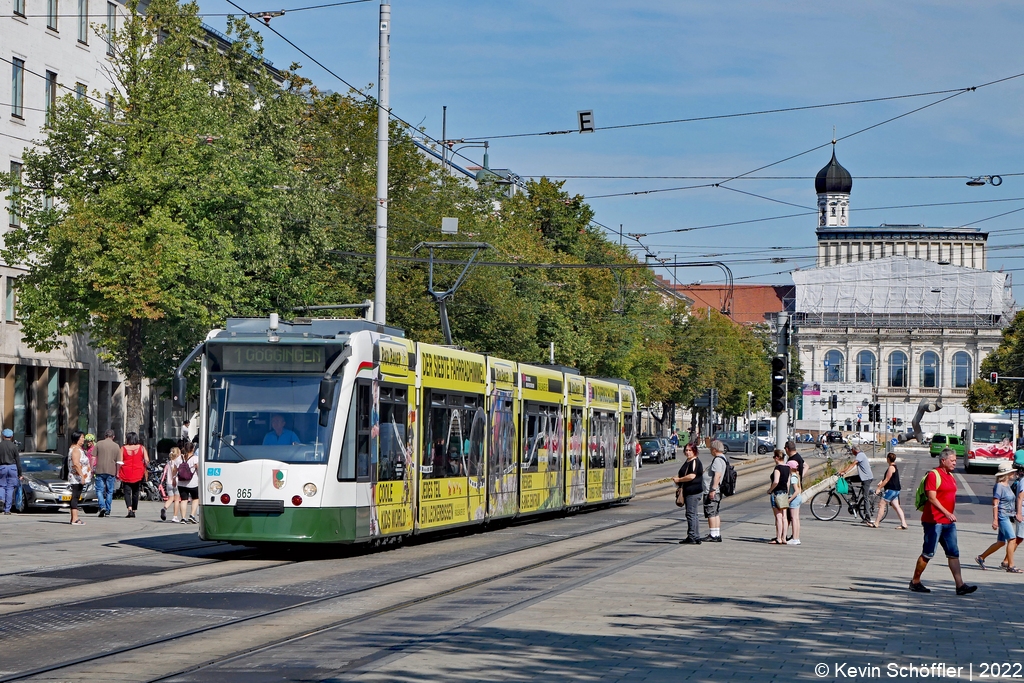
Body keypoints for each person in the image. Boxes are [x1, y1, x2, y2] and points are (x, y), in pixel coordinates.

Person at [909, 448, 977, 595]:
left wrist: (949, 514)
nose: (955, 463)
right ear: (943, 460)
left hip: (948, 523)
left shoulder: (951, 475)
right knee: (928, 553)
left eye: (955, 460)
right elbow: (931, 497)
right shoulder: (934, 475)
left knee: (953, 553)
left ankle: (960, 585)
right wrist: (947, 512)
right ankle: (915, 581)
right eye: (952, 460)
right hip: (933, 521)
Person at [975, 462, 1019, 573]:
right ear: (1007, 474)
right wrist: (995, 519)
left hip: (1007, 515)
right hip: (1002, 516)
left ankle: (981, 557)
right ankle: (1011, 565)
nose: (1014, 473)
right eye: (1012, 472)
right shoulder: (999, 486)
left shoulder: (1007, 485)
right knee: (1012, 539)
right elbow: (995, 503)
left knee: (1001, 542)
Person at [672, 443, 703, 544]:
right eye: (686, 450)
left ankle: (692, 536)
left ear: (694, 451)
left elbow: (692, 476)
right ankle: (695, 536)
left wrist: (679, 479)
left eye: (690, 450)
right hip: (689, 491)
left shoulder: (695, 461)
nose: (688, 452)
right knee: (693, 514)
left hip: (693, 492)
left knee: (691, 514)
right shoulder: (688, 461)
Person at [839, 446, 875, 523]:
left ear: (855, 450)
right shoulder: (860, 454)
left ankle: (867, 517)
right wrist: (843, 471)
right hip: (862, 477)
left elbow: (853, 464)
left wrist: (844, 472)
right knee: (847, 479)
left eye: (852, 450)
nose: (852, 452)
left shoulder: (860, 455)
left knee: (865, 497)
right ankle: (854, 497)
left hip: (866, 478)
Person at [702, 440, 728, 542]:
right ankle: (716, 533)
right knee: (715, 512)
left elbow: (717, 475)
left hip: (712, 490)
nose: (710, 451)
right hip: (717, 490)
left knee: (711, 512)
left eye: (710, 449)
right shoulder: (723, 458)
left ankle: (713, 535)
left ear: (714, 449)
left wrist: (712, 490)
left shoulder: (717, 460)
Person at [872, 452, 907, 529]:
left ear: (888, 459)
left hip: (891, 490)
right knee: (896, 506)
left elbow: (887, 479)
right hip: (896, 490)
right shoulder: (894, 467)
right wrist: (881, 481)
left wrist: (879, 488)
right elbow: (889, 478)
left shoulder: (891, 467)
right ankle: (904, 524)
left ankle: (876, 523)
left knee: (881, 504)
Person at [118, 431, 149, 518]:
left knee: (127, 492)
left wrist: (117, 471)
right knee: (136, 492)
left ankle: (129, 509)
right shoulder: (142, 448)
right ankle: (134, 510)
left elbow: (120, 461)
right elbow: (146, 460)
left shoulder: (123, 448)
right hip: (138, 472)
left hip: (126, 472)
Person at [93, 430, 120, 518]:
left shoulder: (99, 444)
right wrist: (118, 472)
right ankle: (107, 510)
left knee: (99, 490)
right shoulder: (116, 446)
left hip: (99, 470)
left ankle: (102, 506)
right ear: (113, 436)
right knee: (109, 491)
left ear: (105, 435)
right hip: (111, 470)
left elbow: (93, 457)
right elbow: (119, 462)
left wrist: (91, 468)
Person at [66, 430, 91, 526]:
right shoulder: (75, 450)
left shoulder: (77, 449)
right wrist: (82, 476)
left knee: (76, 496)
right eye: (82, 438)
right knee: (75, 496)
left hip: (78, 476)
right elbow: (76, 463)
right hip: (77, 477)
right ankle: (75, 518)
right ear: (77, 439)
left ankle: (73, 517)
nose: (83, 440)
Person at [767, 450, 789, 544]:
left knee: (778, 517)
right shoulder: (787, 467)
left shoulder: (777, 468)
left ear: (776, 457)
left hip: (777, 493)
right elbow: (788, 482)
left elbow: (776, 481)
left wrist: (770, 490)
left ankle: (778, 538)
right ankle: (784, 538)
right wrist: (786, 492)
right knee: (784, 517)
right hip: (784, 492)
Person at [177, 441, 200, 524]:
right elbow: (199, 470)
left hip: (181, 483)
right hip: (193, 482)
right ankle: (192, 515)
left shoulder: (179, 458)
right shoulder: (196, 458)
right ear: (193, 449)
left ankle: (183, 518)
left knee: (183, 500)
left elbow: (175, 469)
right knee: (195, 499)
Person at [0, 428, 22, 515]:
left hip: (2, 467)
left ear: (3, 436)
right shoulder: (14, 447)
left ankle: (1, 499)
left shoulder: (0, 445)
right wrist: (20, 473)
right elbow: (18, 461)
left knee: (1, 486)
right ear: (12, 436)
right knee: (10, 488)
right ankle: (7, 510)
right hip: (13, 468)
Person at [161, 446, 182, 522]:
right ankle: (175, 516)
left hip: (168, 483)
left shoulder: (168, 463)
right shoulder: (178, 462)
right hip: (176, 482)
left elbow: (164, 473)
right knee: (177, 500)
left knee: (170, 499)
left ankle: (164, 508)